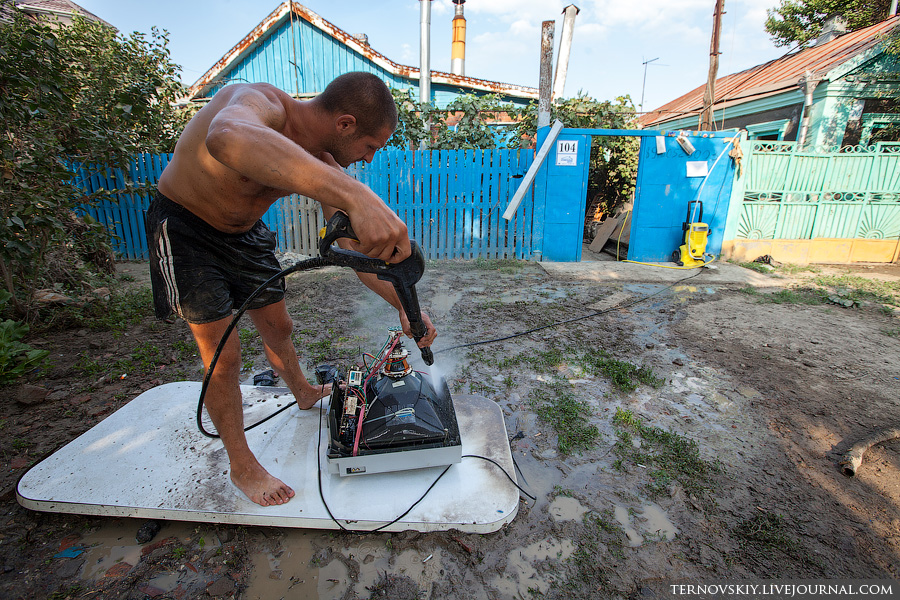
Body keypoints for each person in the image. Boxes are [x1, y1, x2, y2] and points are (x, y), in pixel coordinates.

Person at [146, 72, 437, 507]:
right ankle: (242, 465)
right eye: (371, 146)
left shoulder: (324, 165)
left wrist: (405, 307)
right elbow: (225, 137)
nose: (370, 159)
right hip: (187, 229)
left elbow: (352, 250)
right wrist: (356, 195)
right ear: (345, 124)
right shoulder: (258, 100)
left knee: (279, 325)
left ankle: (301, 390)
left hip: (246, 234)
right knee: (223, 358)